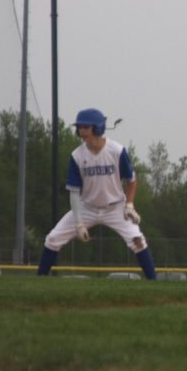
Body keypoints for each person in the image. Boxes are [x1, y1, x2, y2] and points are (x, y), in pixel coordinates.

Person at [37, 108, 156, 279]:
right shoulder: (77, 156)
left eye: (86, 127)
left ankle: (154, 283)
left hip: (115, 207)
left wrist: (129, 205)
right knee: (53, 239)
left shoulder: (117, 151)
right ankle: (40, 280)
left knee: (138, 241)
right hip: (87, 207)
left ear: (98, 127)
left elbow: (132, 180)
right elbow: (74, 192)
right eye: (80, 127)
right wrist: (78, 223)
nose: (81, 131)